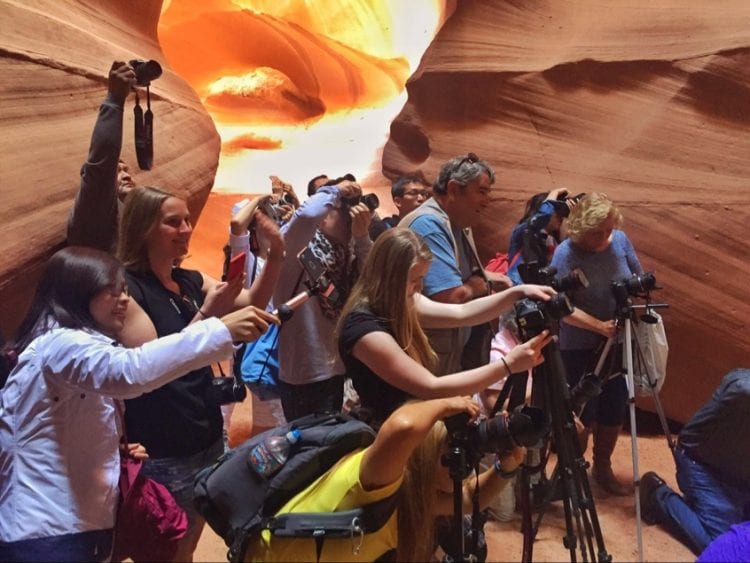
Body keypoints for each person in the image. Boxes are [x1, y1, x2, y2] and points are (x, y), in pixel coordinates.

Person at [0, 247, 276, 562]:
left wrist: (109, 449)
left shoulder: (65, 345)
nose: (124, 300)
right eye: (111, 291)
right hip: (48, 532)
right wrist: (220, 331)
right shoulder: (62, 344)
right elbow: (131, 371)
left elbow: (55, 427)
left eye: (125, 290)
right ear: (78, 293)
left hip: (67, 524)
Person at [116, 186, 283, 561]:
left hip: (205, 436)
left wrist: (275, 255)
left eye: (188, 220)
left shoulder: (189, 280)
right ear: (143, 228)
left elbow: (252, 302)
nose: (187, 229)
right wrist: (209, 314)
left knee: (187, 544)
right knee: (166, 550)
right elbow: (154, 366)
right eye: (173, 222)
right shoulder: (127, 291)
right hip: (163, 448)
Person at [245, 396, 525, 562]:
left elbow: (465, 500)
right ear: (425, 459)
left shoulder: (413, 493)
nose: (463, 464)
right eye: (452, 453)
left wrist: (505, 467)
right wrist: (443, 404)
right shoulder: (376, 477)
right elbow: (402, 426)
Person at [337, 228, 554, 430]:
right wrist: (508, 365)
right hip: (387, 433)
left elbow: (463, 313)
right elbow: (430, 386)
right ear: (390, 277)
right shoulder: (363, 329)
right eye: (415, 280)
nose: (420, 287)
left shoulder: (401, 300)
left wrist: (518, 293)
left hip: (412, 423)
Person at [549, 192, 642, 495]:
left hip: (616, 342)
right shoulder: (566, 253)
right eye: (597, 232)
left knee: (614, 404)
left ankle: (603, 466)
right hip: (579, 344)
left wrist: (631, 303)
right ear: (580, 230)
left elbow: (636, 277)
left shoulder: (620, 240)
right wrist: (599, 326)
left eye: (609, 230)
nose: (605, 237)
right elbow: (561, 308)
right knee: (582, 409)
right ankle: (573, 471)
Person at [401, 153, 512, 375]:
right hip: (429, 361)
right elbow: (450, 297)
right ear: (453, 189)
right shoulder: (430, 225)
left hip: (445, 354)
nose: (487, 201)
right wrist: (474, 287)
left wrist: (488, 278)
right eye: (481, 191)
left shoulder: (456, 223)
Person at [273, 176, 372, 421]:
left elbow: (372, 282)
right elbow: (306, 216)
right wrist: (336, 191)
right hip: (305, 375)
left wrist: (361, 238)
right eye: (344, 211)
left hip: (338, 369)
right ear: (325, 215)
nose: (351, 218)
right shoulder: (297, 249)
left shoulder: (344, 256)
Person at [640, 368, 750, 555]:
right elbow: (740, 387)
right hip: (702, 466)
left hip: (739, 474)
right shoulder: (742, 386)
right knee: (722, 546)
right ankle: (656, 494)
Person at [228, 196, 287, 436]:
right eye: (265, 221)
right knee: (273, 421)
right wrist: (260, 199)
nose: (273, 225)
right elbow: (236, 225)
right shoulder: (245, 261)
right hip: (257, 347)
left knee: (273, 420)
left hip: (273, 347)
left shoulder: (274, 259)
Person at [67, 60, 138, 251]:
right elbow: (102, 161)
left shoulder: (132, 218)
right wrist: (114, 100)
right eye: (117, 171)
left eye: (126, 170)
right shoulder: (96, 208)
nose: (126, 174)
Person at [507, 188, 578, 286]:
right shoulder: (524, 232)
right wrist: (553, 195)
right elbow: (543, 216)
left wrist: (577, 216)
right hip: (518, 289)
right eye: (557, 212)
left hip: (539, 292)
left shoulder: (552, 242)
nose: (561, 217)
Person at [368, 174, 430, 240]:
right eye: (413, 193)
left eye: (423, 194)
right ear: (398, 201)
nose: (421, 198)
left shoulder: (430, 226)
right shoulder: (384, 230)